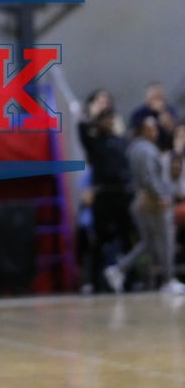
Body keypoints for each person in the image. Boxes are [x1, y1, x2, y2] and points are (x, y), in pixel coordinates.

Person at [105, 117, 185, 295]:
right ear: (142, 130)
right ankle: (168, 280)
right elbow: (149, 178)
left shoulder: (136, 148)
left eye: (156, 128)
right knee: (166, 240)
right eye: (151, 128)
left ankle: (118, 269)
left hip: (143, 201)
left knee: (148, 243)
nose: (155, 131)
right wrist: (161, 196)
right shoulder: (145, 149)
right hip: (152, 202)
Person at [78, 106, 133, 292]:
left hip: (121, 194)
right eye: (104, 119)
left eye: (110, 118)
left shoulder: (120, 141)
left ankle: (129, 280)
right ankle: (95, 281)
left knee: (126, 238)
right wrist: (93, 117)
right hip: (102, 196)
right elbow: (81, 128)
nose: (108, 122)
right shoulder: (94, 142)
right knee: (99, 239)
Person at [129, 82, 178, 151]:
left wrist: (161, 111)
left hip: (167, 149)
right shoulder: (138, 113)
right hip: (145, 149)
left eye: (158, 97)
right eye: (153, 97)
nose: (156, 101)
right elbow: (132, 136)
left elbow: (171, 130)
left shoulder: (169, 110)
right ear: (146, 97)